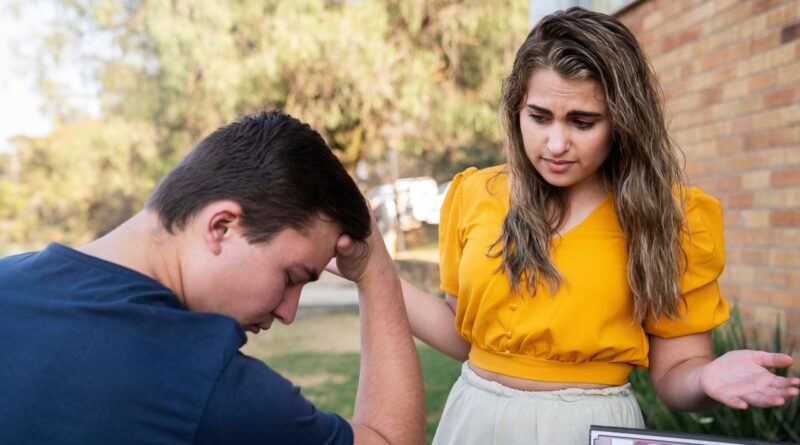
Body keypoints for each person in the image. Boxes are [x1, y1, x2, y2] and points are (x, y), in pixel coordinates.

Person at [399, 7, 800, 445]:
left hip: (591, 430)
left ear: (623, 121)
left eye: (582, 122)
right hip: (474, 422)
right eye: (539, 117)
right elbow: (463, 336)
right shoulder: (477, 193)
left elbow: (674, 373)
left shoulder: (672, 219)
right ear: (517, 109)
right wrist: (370, 268)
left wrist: (706, 378)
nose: (556, 144)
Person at [0, 110, 425, 445]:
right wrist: (374, 272)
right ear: (222, 226)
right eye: (292, 277)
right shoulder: (202, 383)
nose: (288, 311)